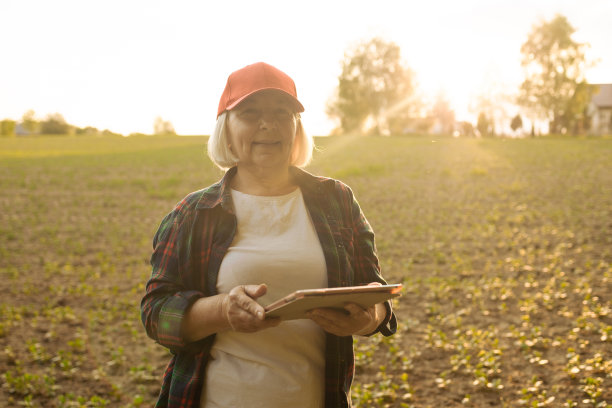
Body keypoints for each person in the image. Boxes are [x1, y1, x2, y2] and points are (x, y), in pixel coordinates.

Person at [141, 62, 397, 408]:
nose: (268, 123)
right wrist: (221, 310)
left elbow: (375, 294)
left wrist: (370, 317)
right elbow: (157, 315)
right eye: (249, 112)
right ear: (225, 129)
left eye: (282, 112)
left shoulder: (336, 201)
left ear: (296, 127)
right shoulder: (194, 213)